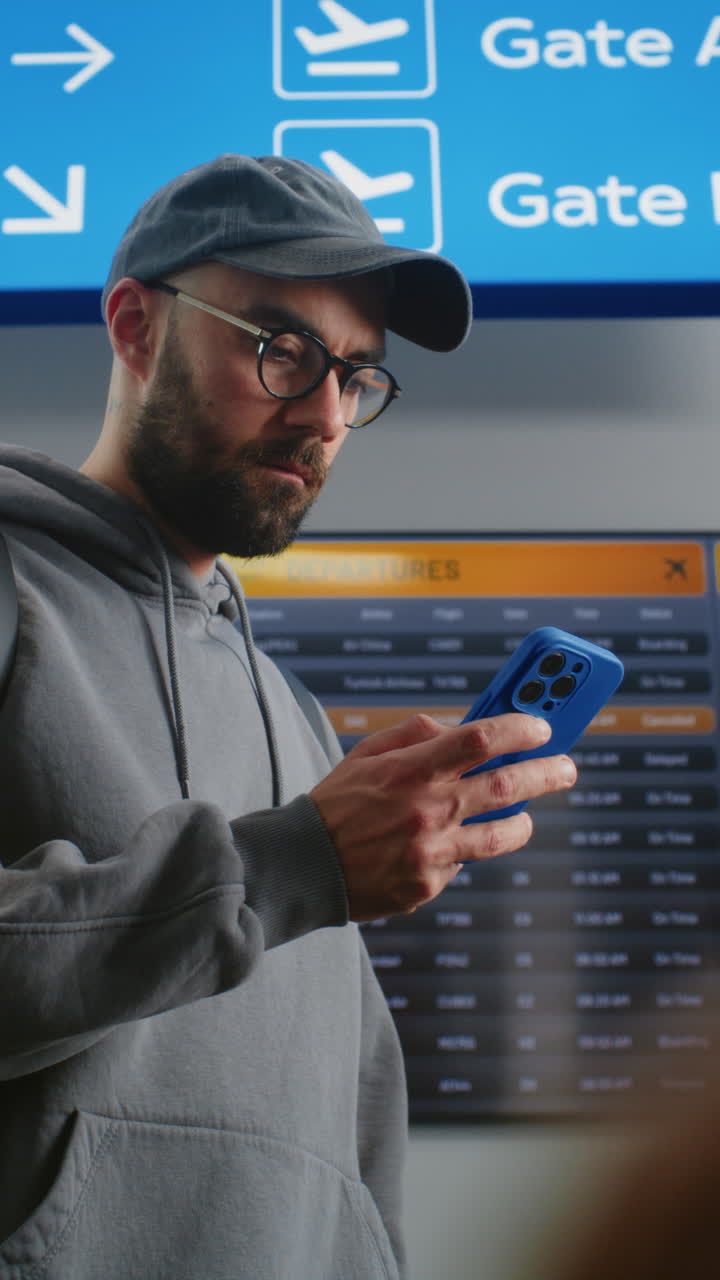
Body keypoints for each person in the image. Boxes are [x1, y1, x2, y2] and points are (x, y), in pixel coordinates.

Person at [0, 154, 576, 1279]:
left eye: (356, 376)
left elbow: (355, 1121)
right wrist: (286, 863)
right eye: (282, 349)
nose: (323, 414)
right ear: (136, 328)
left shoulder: (298, 720)